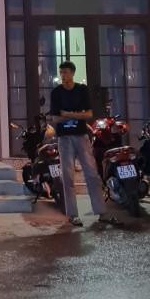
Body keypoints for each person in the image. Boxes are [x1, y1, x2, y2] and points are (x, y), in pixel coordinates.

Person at [50, 60, 115, 228]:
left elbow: (89, 114)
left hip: (81, 136)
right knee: (68, 177)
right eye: (61, 72)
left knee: (92, 174)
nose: (63, 75)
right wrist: (77, 114)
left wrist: (68, 114)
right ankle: (72, 214)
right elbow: (55, 118)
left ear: (72, 73)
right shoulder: (56, 93)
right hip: (64, 138)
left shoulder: (81, 90)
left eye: (65, 72)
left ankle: (101, 211)